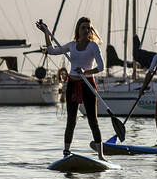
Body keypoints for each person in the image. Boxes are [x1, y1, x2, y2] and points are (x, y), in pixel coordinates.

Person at [38, 16, 106, 160]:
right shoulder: (72, 45)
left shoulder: (93, 46)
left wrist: (86, 72)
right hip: (72, 85)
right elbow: (51, 50)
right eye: (83, 28)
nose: (86, 30)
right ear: (78, 29)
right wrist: (46, 33)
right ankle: (66, 152)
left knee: (93, 120)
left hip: (88, 85)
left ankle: (101, 155)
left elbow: (101, 67)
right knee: (71, 120)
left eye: (88, 28)